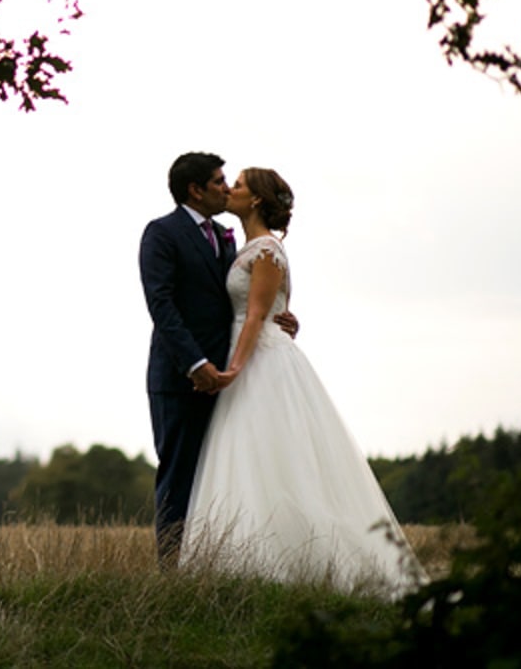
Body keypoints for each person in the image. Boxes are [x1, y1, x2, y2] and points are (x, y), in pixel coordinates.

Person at [180, 168, 427, 595]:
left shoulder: (267, 251)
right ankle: (246, 565)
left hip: (261, 361)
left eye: (237, 185)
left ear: (255, 200)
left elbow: (258, 315)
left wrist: (235, 369)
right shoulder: (245, 247)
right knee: (249, 457)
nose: (230, 190)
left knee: (275, 457)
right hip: (249, 353)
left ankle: (299, 567)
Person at [138, 152, 296, 566]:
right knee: (179, 473)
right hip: (180, 376)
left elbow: (247, 301)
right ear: (195, 189)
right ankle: (172, 572)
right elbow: (162, 305)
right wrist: (195, 364)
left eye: (231, 182)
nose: (226, 188)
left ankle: (219, 562)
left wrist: (280, 319)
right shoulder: (161, 234)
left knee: (226, 471)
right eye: (219, 181)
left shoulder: (230, 239)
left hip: (228, 376)